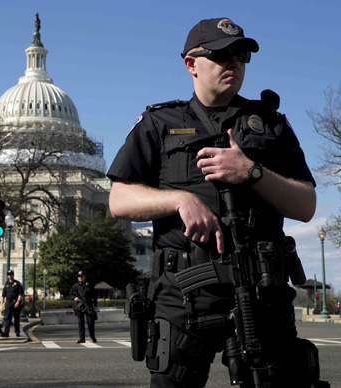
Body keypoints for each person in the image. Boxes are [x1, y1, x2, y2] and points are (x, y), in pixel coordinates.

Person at [107, 18, 322, 387]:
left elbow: (306, 206)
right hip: (184, 293)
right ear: (191, 63)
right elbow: (119, 199)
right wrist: (180, 200)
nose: (233, 63)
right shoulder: (159, 123)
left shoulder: (270, 124)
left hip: (262, 289)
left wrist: (251, 172)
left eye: (240, 54)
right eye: (221, 54)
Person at [69, 270, 98, 344]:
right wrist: (74, 298)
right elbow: (70, 295)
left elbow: (94, 297)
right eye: (79, 276)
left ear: (84, 277)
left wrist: (95, 306)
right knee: (81, 323)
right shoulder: (75, 286)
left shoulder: (89, 285)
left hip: (88, 306)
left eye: (81, 276)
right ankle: (82, 338)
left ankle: (93, 337)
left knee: (91, 323)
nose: (80, 278)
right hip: (79, 306)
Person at [0, 270, 24, 337]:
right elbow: (3, 295)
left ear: (13, 275)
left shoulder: (17, 283)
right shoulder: (6, 284)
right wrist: (2, 304)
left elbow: (20, 294)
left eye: (11, 274)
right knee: (7, 318)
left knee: (16, 318)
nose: (10, 276)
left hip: (15, 302)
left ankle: (17, 332)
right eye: (8, 275)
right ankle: (6, 332)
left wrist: (18, 302)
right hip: (8, 302)